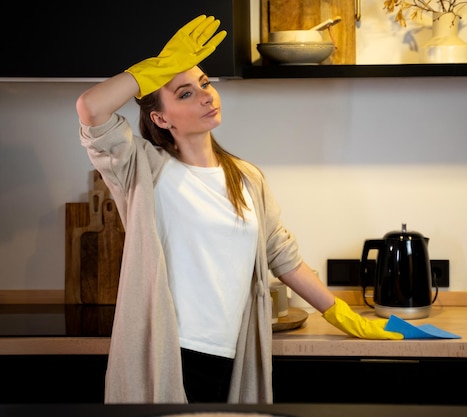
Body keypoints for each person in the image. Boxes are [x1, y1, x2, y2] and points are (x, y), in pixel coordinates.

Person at [75, 14, 403, 405]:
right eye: (185, 93)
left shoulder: (247, 178)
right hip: (170, 354)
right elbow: (91, 109)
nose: (205, 95)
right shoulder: (142, 169)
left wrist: (344, 316)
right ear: (160, 118)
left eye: (205, 84)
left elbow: (282, 257)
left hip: (234, 354)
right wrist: (159, 67)